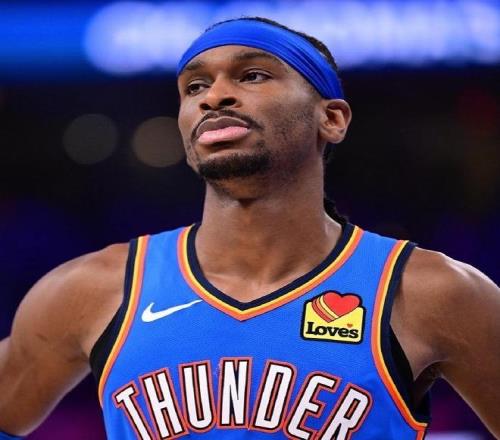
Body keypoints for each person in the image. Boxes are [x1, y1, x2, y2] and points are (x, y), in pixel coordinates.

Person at [0, 16, 499, 440]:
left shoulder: (432, 292)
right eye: (195, 87)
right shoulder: (93, 289)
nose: (214, 96)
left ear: (332, 118)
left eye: (253, 76)